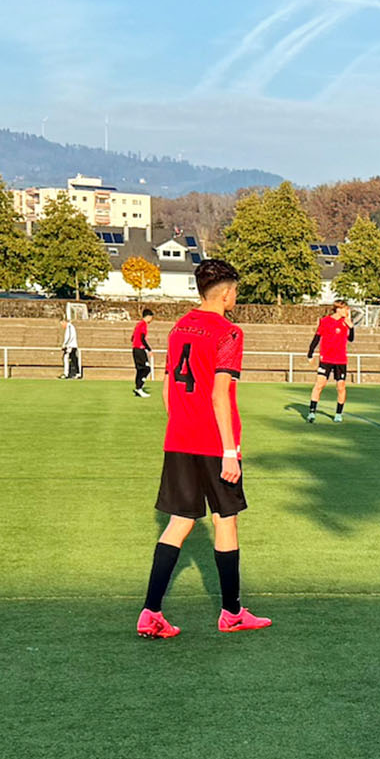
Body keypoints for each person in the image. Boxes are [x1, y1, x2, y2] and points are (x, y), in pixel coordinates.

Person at [137, 258, 271, 638]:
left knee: (178, 523)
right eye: (236, 291)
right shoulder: (228, 332)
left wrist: (181, 425)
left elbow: (167, 388)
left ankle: (151, 612)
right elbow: (220, 394)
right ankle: (231, 613)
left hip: (179, 439)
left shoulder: (180, 327)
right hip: (214, 443)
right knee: (225, 520)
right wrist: (230, 450)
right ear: (227, 293)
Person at [306, 301, 356, 424]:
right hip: (326, 359)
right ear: (338, 309)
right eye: (345, 309)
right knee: (320, 385)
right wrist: (310, 352)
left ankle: (338, 414)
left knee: (341, 387)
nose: (347, 312)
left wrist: (352, 327)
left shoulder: (345, 322)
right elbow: (317, 337)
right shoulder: (325, 321)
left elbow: (351, 339)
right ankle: (312, 412)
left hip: (340, 360)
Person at [131, 309, 154, 398]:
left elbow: (132, 337)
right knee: (146, 369)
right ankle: (139, 387)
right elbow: (142, 338)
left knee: (140, 370)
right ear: (148, 317)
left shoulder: (138, 325)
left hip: (135, 349)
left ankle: (138, 388)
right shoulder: (143, 325)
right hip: (140, 350)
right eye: (151, 318)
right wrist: (149, 349)